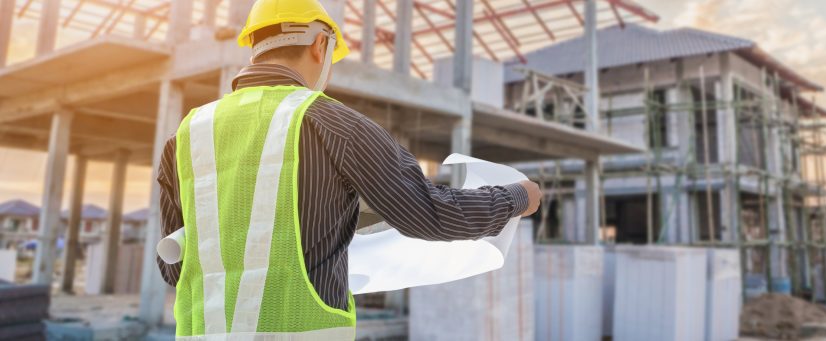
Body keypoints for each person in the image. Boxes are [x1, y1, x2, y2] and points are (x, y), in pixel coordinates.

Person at [155, 0, 541, 338]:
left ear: (253, 47)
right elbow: (431, 213)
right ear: (320, 44)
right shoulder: (337, 126)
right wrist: (517, 197)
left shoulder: (186, 136)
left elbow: (174, 268)